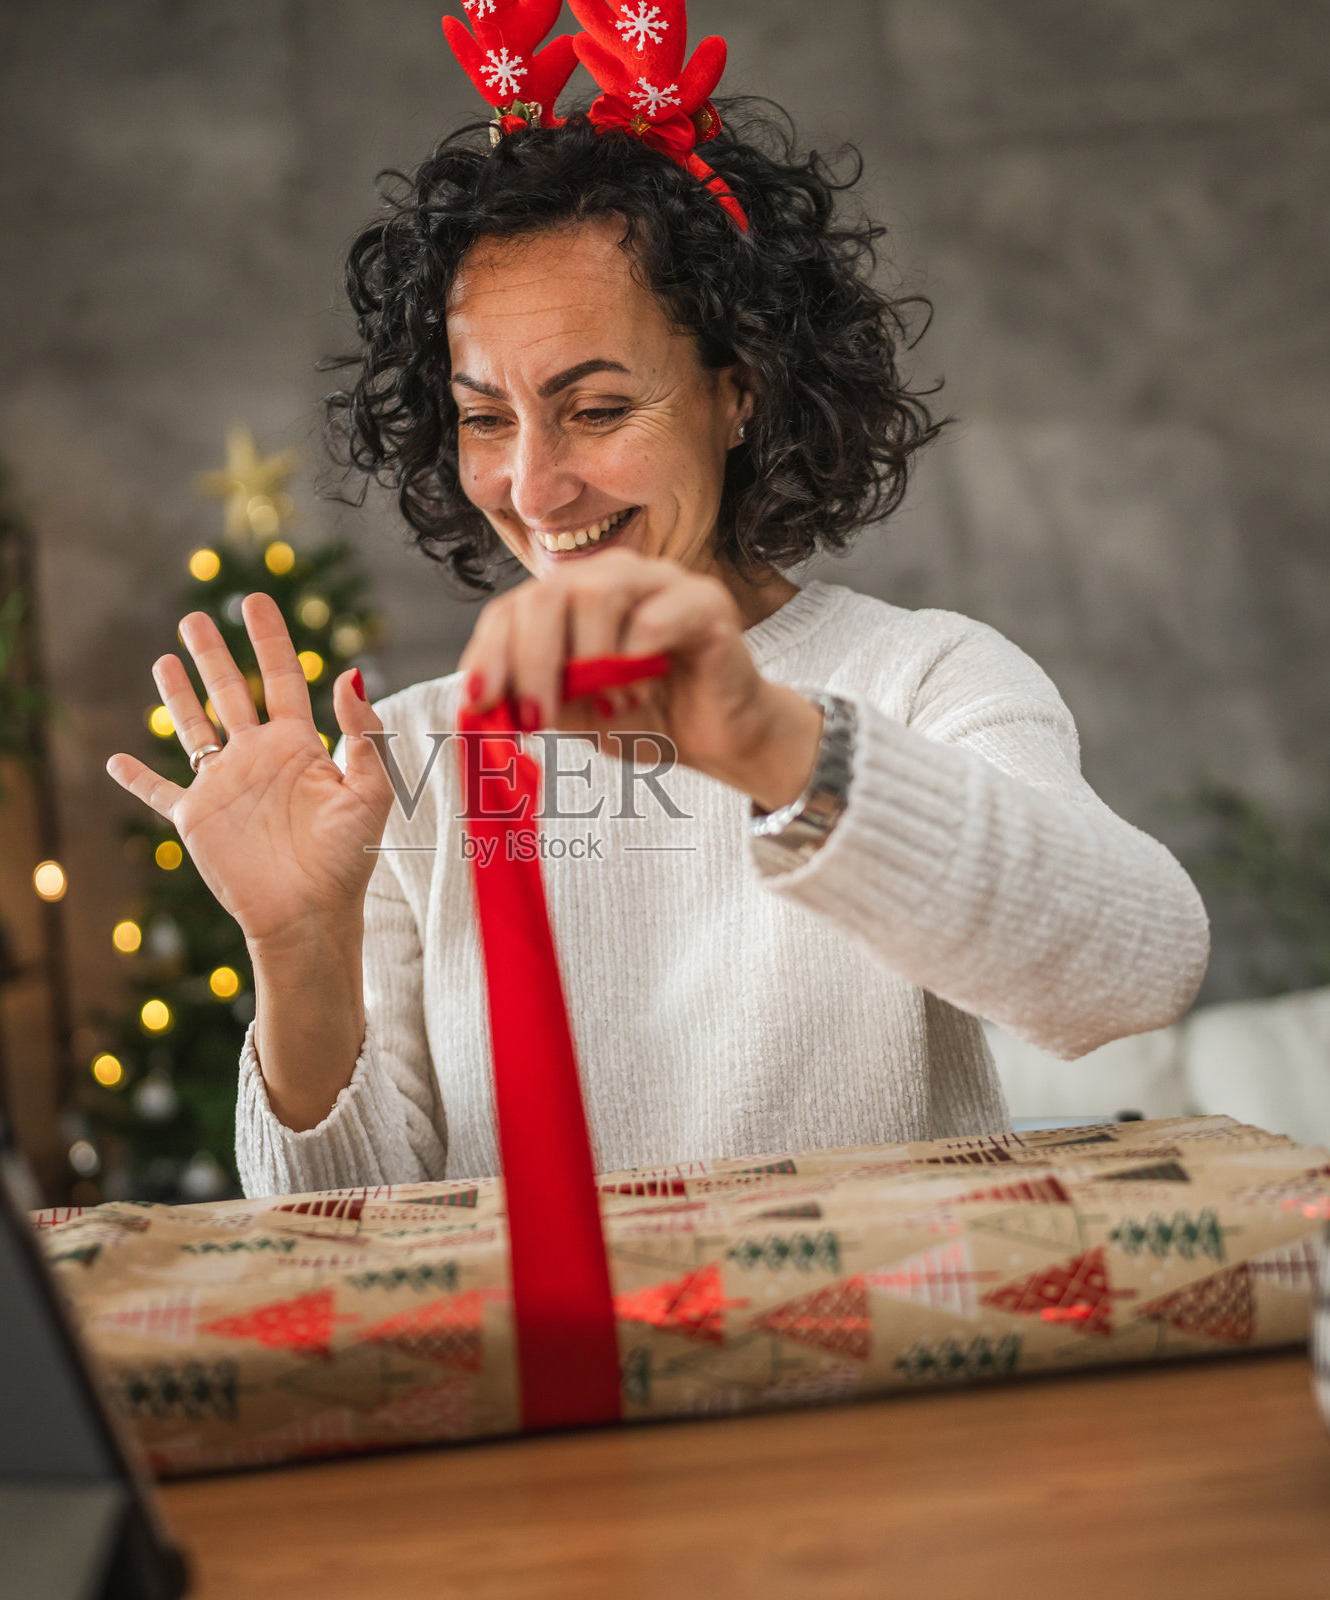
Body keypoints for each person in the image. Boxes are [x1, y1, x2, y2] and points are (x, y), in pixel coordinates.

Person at [108, 5, 1208, 1199]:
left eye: (595, 409)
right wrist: (298, 954)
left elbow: (1136, 970)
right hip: (558, 1389)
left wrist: (768, 743)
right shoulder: (406, 758)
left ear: (738, 391)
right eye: (486, 419)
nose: (533, 485)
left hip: (889, 1374)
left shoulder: (925, 677)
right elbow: (346, 1230)